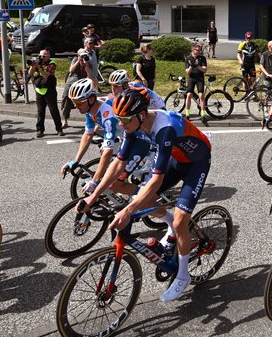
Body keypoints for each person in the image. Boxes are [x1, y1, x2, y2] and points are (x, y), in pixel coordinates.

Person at [81, 89, 213, 303]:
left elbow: (157, 181)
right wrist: (94, 194)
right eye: (119, 119)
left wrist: (128, 210)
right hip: (176, 160)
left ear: (141, 115)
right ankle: (168, 220)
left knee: (180, 221)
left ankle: (182, 275)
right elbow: (118, 163)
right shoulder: (133, 125)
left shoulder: (164, 129)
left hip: (197, 162)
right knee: (125, 189)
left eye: (124, 119)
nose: (121, 124)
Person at [29, 49, 64, 137]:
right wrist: (32, 66)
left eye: (44, 56)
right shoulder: (38, 62)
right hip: (39, 90)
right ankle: (40, 130)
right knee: (40, 111)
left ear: (48, 56)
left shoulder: (52, 64)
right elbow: (30, 73)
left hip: (50, 90)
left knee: (53, 110)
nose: (42, 58)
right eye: (40, 56)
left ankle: (59, 129)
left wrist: (39, 67)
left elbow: (45, 75)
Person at [184, 41, 209, 119]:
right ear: (192, 49)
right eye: (196, 50)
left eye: (199, 50)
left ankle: (203, 113)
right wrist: (191, 66)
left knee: (201, 95)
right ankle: (187, 113)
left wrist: (198, 66)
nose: (198, 52)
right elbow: (187, 72)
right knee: (188, 95)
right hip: (192, 78)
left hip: (200, 78)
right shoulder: (188, 58)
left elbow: (205, 70)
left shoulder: (202, 58)